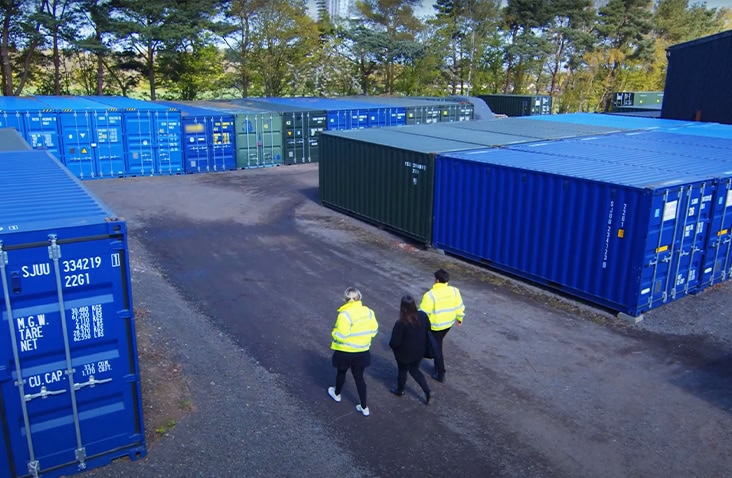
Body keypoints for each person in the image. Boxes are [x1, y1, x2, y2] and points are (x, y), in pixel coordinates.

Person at [327, 287, 379, 417]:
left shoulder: (345, 315)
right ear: (359, 298)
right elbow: (374, 331)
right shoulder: (369, 312)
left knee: (341, 373)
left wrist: (333, 332)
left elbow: (341, 335)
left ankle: (337, 394)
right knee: (359, 378)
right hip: (362, 352)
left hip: (345, 351)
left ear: (346, 300)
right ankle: (364, 407)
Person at [419, 269, 465, 383]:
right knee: (438, 343)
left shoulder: (430, 295)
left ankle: (440, 372)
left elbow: (423, 313)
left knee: (436, 348)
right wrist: (459, 318)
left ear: (437, 280)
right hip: (448, 324)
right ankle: (436, 367)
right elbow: (459, 306)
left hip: (436, 326)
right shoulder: (454, 291)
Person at [388, 295, 431, 404]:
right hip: (419, 351)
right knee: (415, 370)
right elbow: (428, 329)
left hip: (404, 355)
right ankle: (427, 391)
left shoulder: (401, 323)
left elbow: (394, 343)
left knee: (402, 371)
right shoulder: (423, 316)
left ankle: (400, 390)